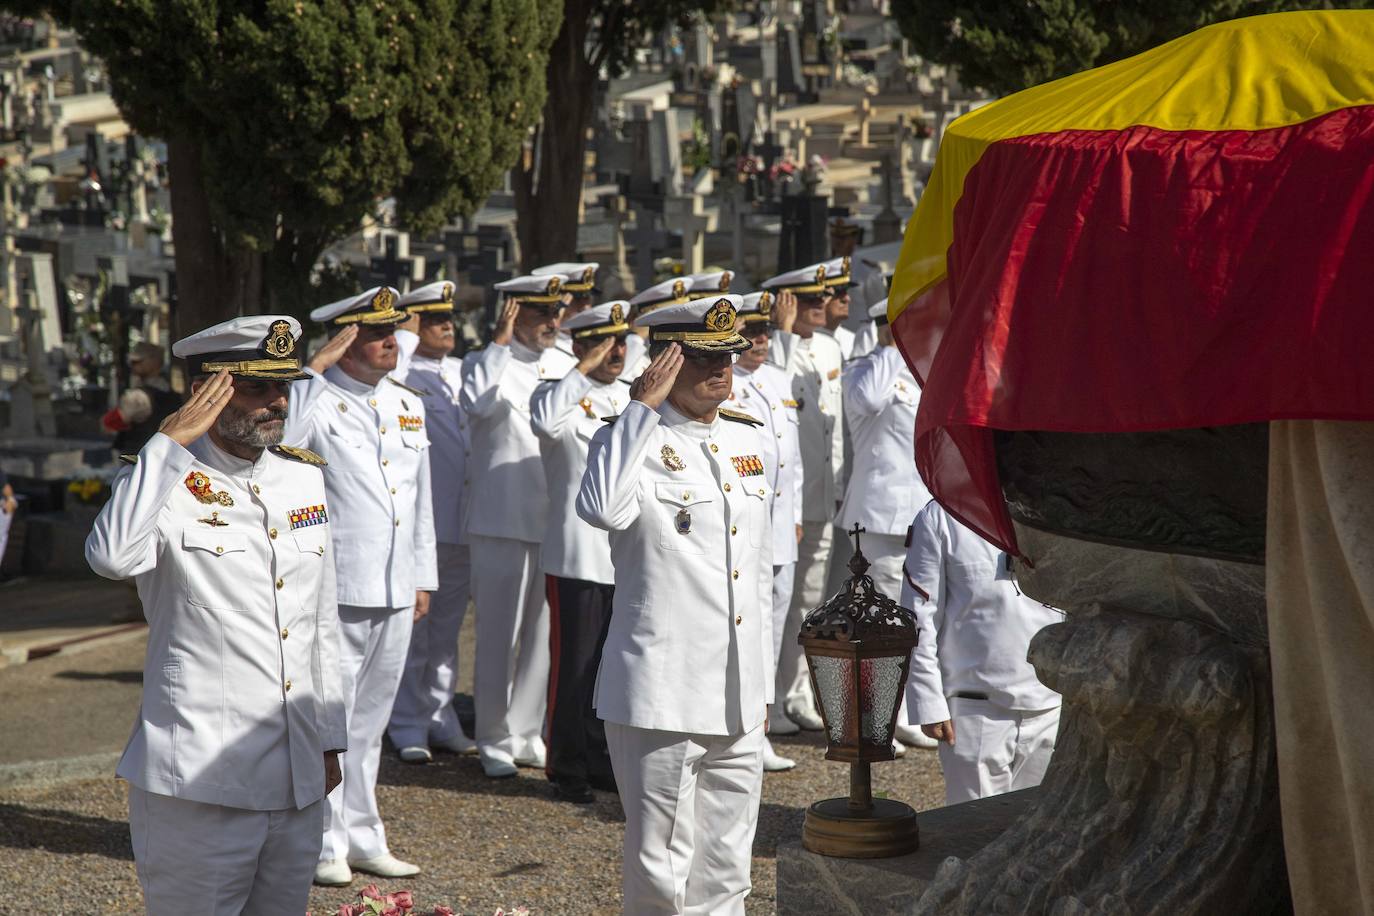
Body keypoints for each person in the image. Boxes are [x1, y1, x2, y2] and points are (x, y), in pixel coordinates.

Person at [85, 316, 346, 915]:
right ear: (211, 390)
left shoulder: (302, 477)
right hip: (201, 778)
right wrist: (168, 445)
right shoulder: (161, 479)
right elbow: (110, 556)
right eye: (257, 387)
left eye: (282, 385)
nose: (277, 401)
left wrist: (331, 738)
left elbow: (319, 624)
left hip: (297, 772)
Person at [577, 294, 774, 915]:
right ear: (665, 360)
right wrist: (639, 411)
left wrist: (762, 682)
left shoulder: (749, 437)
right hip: (662, 687)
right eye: (701, 358)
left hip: (738, 686)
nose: (722, 370)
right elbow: (602, 508)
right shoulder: (630, 439)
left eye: (729, 357)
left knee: (728, 859)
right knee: (661, 863)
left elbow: (755, 569)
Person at [286, 286, 438, 885]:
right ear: (346, 340)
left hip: (396, 584)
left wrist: (423, 575)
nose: (391, 342)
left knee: (370, 723)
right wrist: (314, 366)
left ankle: (364, 834)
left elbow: (419, 499)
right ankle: (323, 842)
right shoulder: (316, 400)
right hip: (340, 584)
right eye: (376, 334)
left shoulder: (407, 403)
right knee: (331, 723)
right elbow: (284, 444)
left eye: (393, 331)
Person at [461, 273, 567, 778]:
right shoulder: (485, 365)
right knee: (498, 636)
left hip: (551, 518)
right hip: (500, 517)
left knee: (542, 635)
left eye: (556, 312)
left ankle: (526, 730)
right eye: (540, 313)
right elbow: (477, 404)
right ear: (512, 314)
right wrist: (498, 344)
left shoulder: (566, 364)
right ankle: (493, 736)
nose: (552, 322)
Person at [529, 301, 632, 803]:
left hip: (623, 556)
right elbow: (548, 425)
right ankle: (564, 764)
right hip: (576, 557)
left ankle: (599, 759)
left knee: (609, 665)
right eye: (604, 343)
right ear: (580, 348)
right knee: (573, 667)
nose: (617, 352)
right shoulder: (557, 395)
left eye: (621, 342)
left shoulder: (634, 399)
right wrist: (583, 368)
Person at [900, 500, 1064, 805]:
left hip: (1052, 705)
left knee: (1036, 831)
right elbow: (918, 616)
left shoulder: (1063, 511)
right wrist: (928, 701)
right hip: (972, 709)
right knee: (972, 834)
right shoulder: (942, 515)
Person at [839, 298, 938, 750]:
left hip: (920, 513)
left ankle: (901, 711)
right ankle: (871, 715)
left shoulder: (922, 369)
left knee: (912, 620)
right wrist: (891, 347)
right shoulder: (865, 371)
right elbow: (868, 400)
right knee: (874, 621)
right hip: (878, 517)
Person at [387, 281, 478, 764]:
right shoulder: (401, 374)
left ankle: (440, 713)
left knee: (447, 631)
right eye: (433, 318)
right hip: (424, 523)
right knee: (414, 631)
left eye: (449, 318)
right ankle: (406, 722)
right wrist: (403, 337)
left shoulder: (462, 372)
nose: (447, 326)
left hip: (461, 521)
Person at [761, 262, 845, 733]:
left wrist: (839, 483)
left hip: (821, 493)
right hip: (786, 501)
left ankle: (797, 690)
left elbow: (832, 428)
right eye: (807, 300)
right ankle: (772, 693)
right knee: (778, 599)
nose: (819, 307)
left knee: (811, 600)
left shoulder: (830, 346)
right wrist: (782, 331)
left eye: (820, 300)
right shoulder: (774, 349)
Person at [730, 291, 803, 773]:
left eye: (765, 331)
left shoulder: (777, 379)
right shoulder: (726, 385)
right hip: (748, 527)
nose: (761, 340)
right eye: (752, 332)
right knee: (749, 627)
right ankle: (746, 728)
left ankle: (765, 721)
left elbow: (788, 461)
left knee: (776, 626)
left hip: (780, 526)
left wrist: (794, 513)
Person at [102, 341, 183, 454]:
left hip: (139, 458)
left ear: (153, 362)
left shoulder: (137, 397)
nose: (132, 364)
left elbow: (108, 424)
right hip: (166, 455)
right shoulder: (173, 393)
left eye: (137, 361)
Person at [624, 276, 695, 378]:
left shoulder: (689, 348)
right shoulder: (634, 349)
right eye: (672, 316)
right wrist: (636, 336)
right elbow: (620, 378)